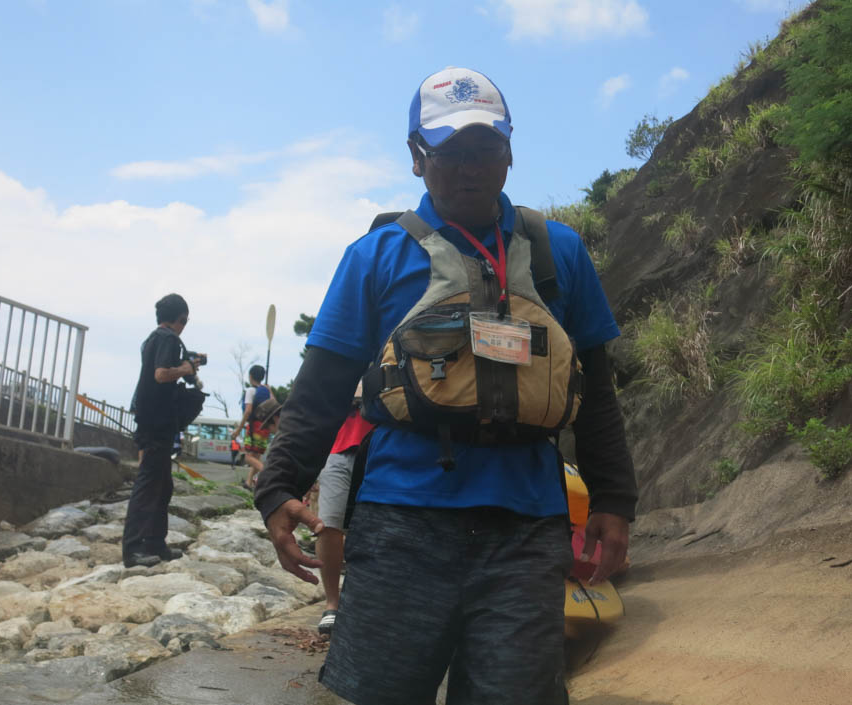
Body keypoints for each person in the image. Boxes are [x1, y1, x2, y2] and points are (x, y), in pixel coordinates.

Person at [254, 67, 637, 705]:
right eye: (450, 153)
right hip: (400, 525)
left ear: (510, 152)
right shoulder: (374, 257)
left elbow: (597, 394)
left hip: (526, 532)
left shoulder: (559, 254)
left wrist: (615, 500)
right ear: (416, 157)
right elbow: (321, 390)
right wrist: (277, 487)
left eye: (486, 151)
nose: (470, 169)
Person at [123, 293, 204, 568]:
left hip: (150, 419)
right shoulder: (169, 339)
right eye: (185, 322)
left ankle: (156, 543)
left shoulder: (153, 338)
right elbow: (161, 374)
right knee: (148, 484)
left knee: (162, 484)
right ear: (181, 319)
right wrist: (187, 367)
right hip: (157, 422)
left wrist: (187, 364)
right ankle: (133, 549)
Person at [314, 384, 375, 636]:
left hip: (384, 443)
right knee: (327, 524)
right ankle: (332, 604)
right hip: (339, 445)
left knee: (377, 527)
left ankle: (364, 603)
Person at [231, 364, 274, 490]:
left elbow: (248, 411)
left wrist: (238, 430)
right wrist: (270, 390)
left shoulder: (250, 391)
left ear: (250, 376)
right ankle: (249, 483)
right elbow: (274, 404)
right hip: (265, 427)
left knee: (248, 457)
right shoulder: (266, 391)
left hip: (255, 427)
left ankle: (266, 472)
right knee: (256, 457)